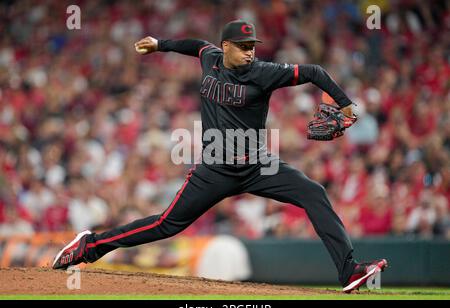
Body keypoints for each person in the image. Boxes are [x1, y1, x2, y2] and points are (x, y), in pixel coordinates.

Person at [52, 20, 387, 293]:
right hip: (215, 170)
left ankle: (349, 272)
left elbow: (313, 71)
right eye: (243, 46)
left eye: (252, 46)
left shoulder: (264, 72)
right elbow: (194, 44)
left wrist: (347, 105)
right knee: (165, 224)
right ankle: (90, 245)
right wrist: (161, 44)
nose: (249, 52)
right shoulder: (210, 57)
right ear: (225, 46)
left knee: (314, 193)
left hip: (258, 166)